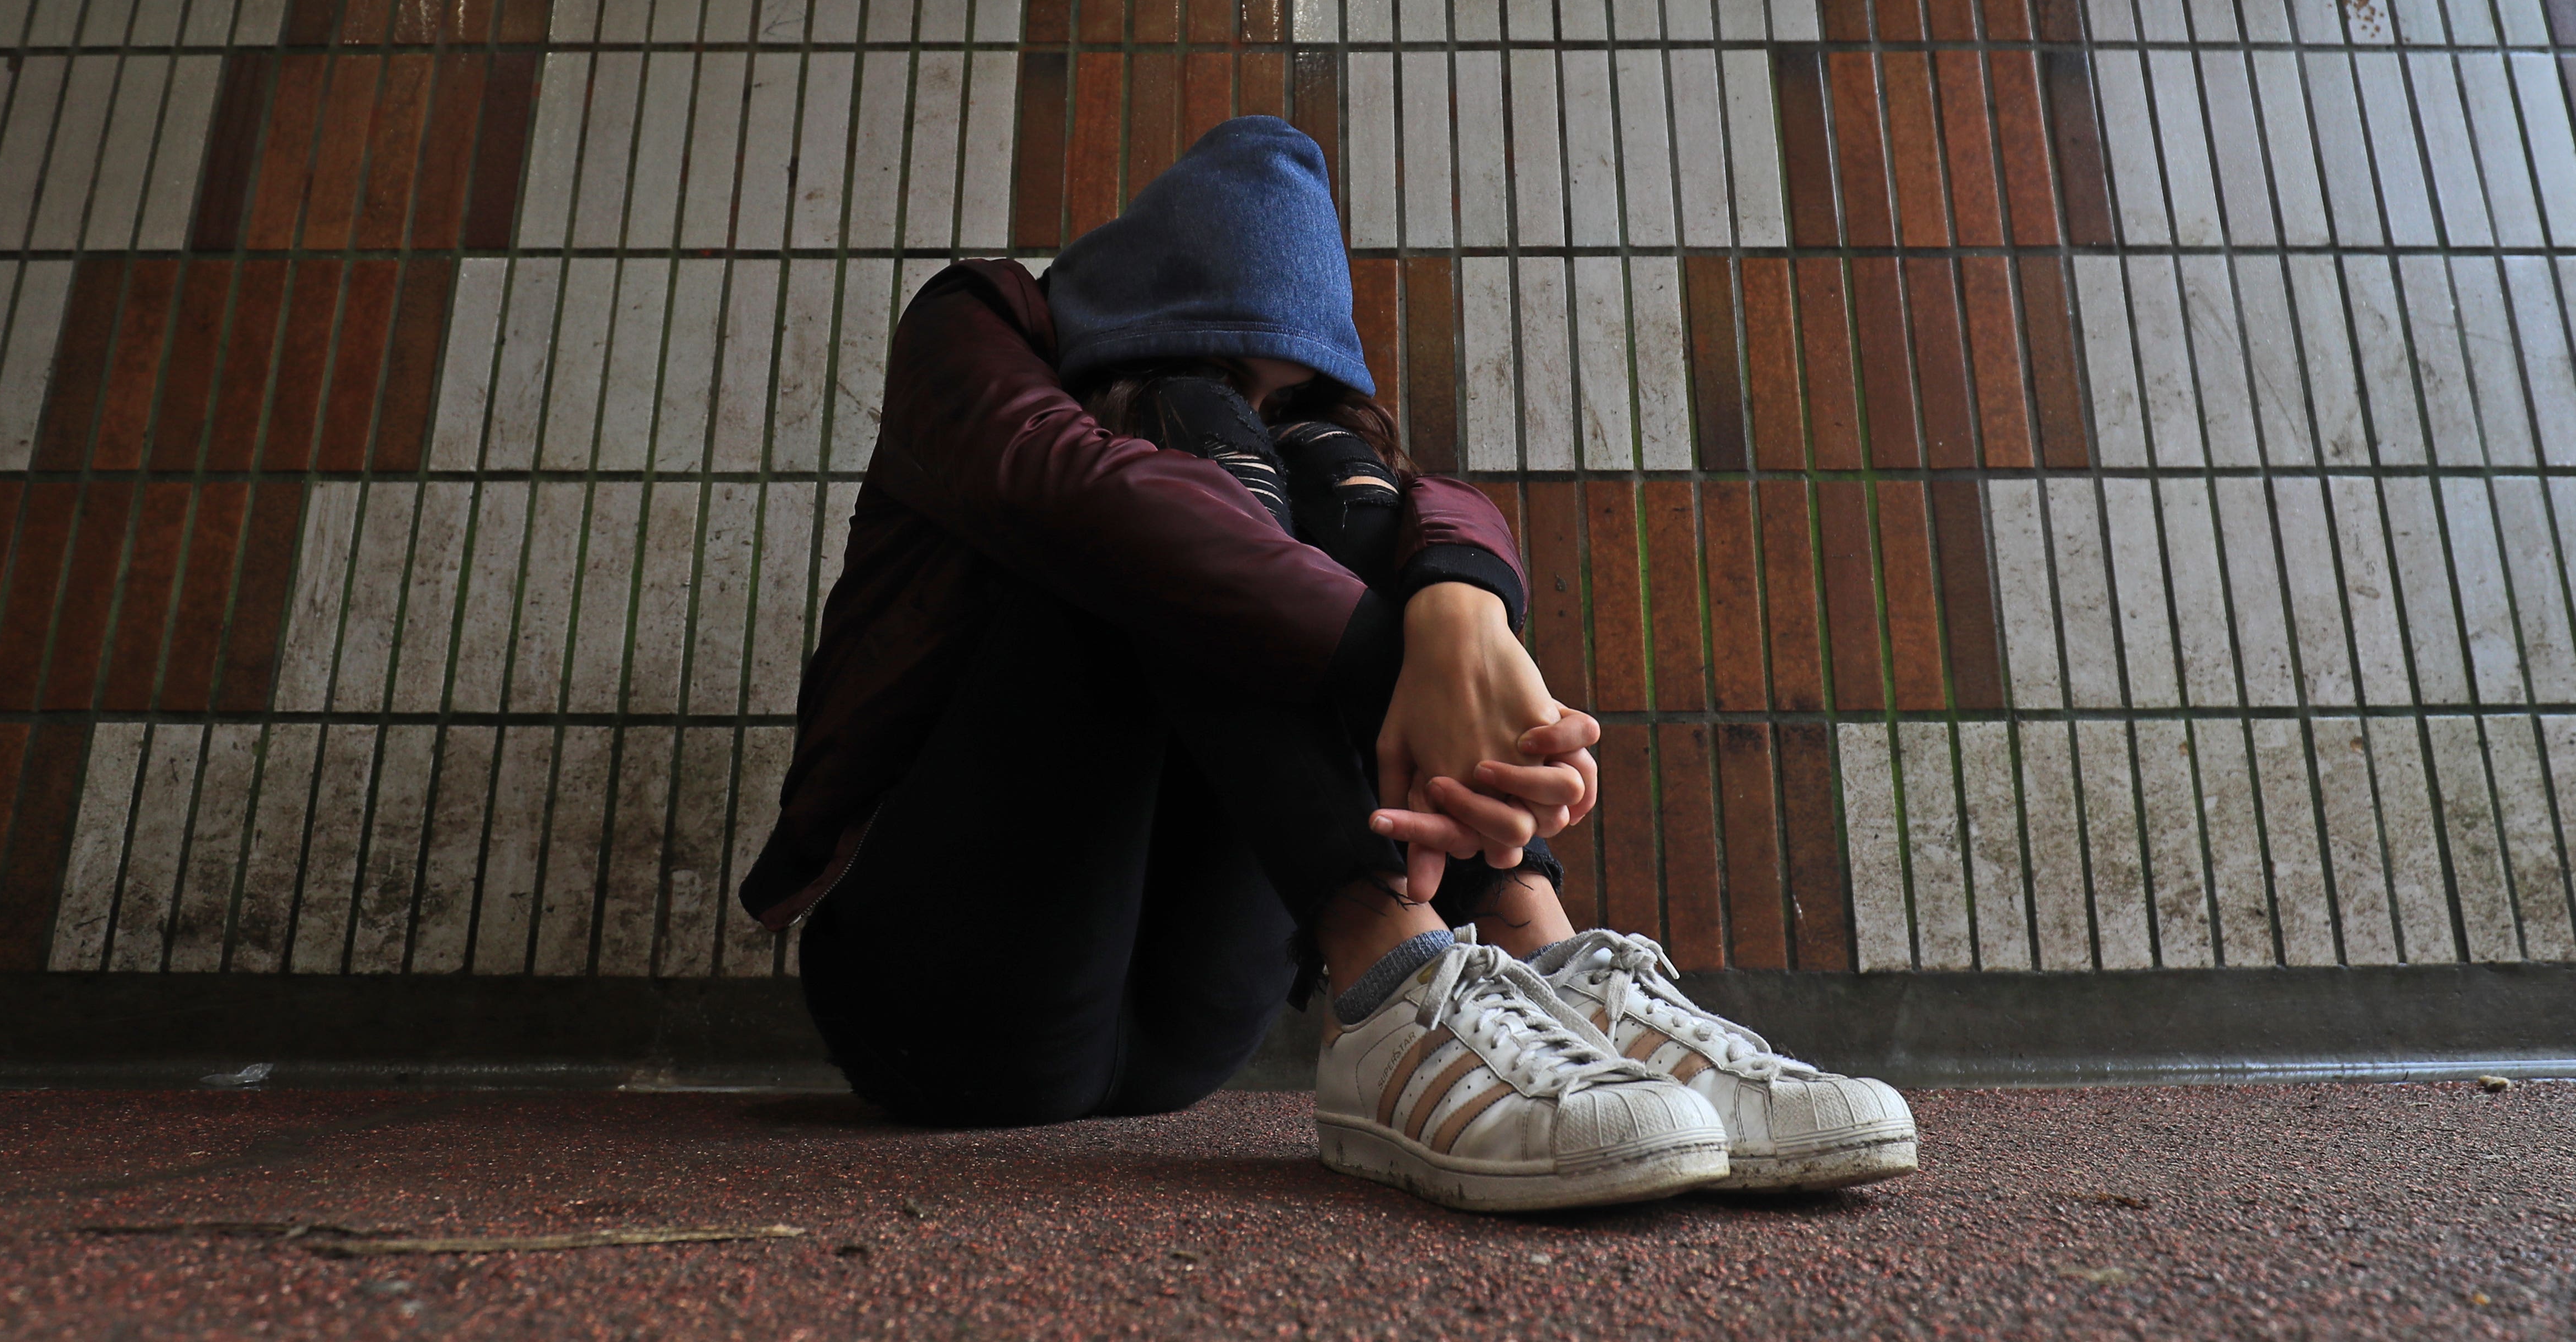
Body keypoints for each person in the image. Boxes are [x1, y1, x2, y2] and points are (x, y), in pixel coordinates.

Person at [741, 117, 1915, 1212]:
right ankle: (1392, 963)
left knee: (1337, 472)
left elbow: (1422, 503)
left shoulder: (1320, 442)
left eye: (1290, 380)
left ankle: (1533, 953)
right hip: (943, 1003)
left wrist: (1460, 610)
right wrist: (1390, 665)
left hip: (1183, 1028)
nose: (1262, 411)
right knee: (1183, 470)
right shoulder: (979, 324)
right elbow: (1072, 489)